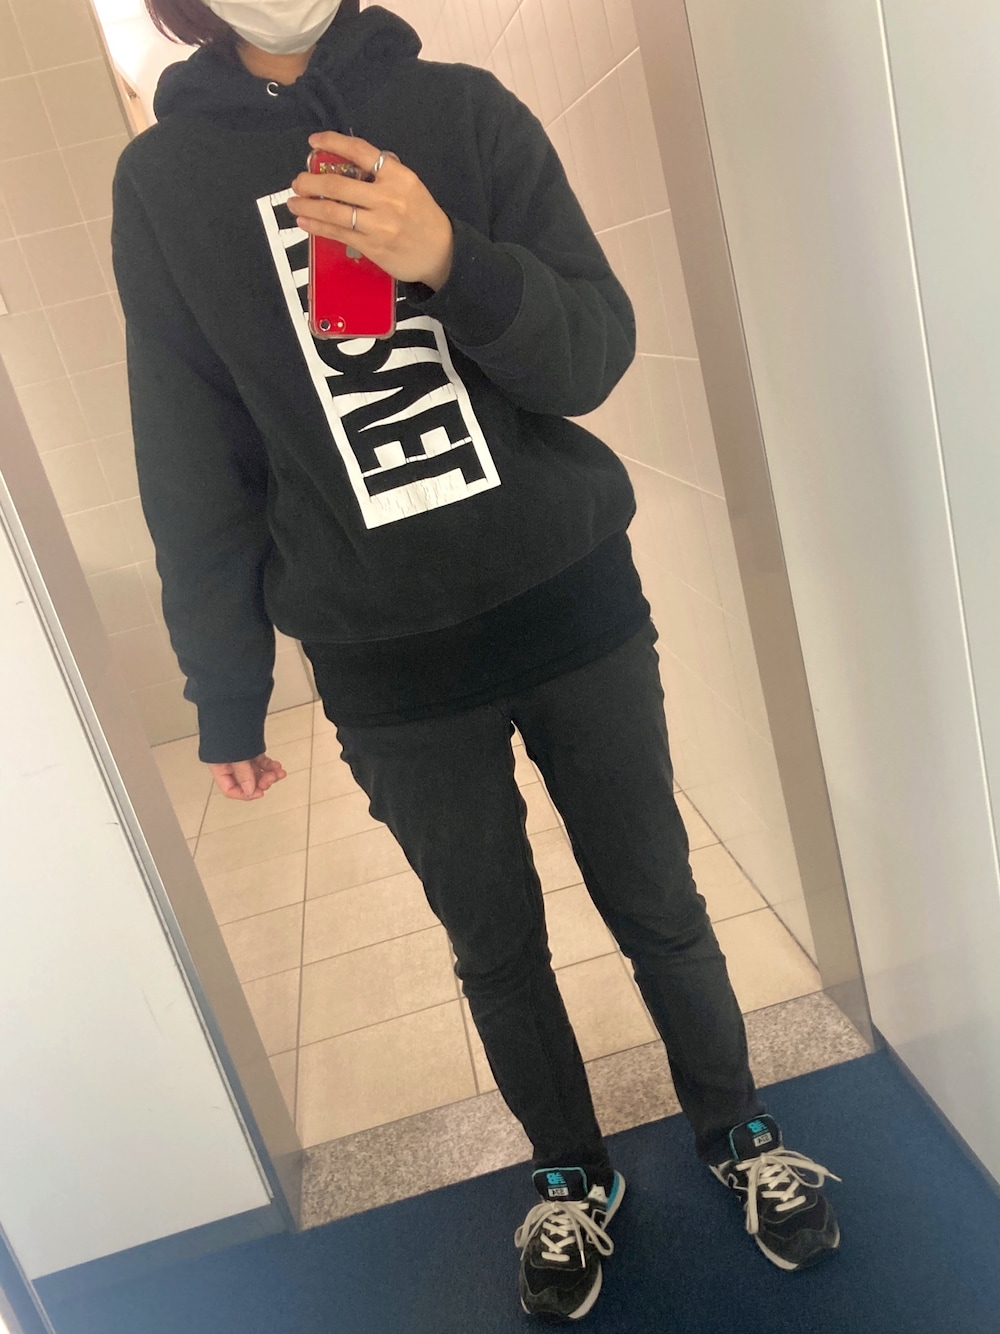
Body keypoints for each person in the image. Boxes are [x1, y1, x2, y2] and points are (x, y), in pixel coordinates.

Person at [113, 0, 841, 1321]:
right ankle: (571, 1173)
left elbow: (596, 351)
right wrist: (226, 690)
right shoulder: (162, 184)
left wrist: (450, 257)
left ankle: (736, 1127)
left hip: (572, 607)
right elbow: (187, 453)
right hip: (385, 663)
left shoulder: (463, 110)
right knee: (493, 948)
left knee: (659, 902)